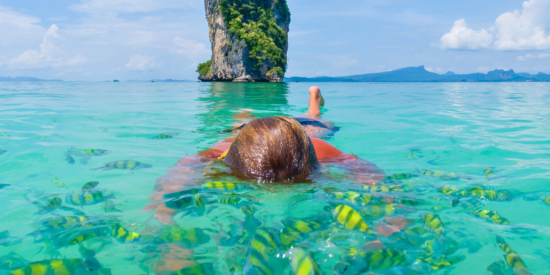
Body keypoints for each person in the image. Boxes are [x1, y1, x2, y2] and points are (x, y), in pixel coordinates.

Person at [146, 87, 382, 221]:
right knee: (240, 128)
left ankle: (314, 98)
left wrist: (389, 223)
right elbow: (180, 172)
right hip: (247, 135)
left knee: (315, 118)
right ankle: (243, 117)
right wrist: (162, 217)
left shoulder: (316, 147)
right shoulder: (224, 149)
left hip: (303, 131)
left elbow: (364, 169)